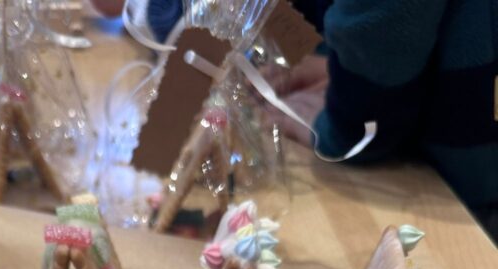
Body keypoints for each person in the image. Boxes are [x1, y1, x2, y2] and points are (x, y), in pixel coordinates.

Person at [90, 0, 498, 239]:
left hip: (452, 182)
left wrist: (345, 120)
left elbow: (386, 20)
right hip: (397, 106)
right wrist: (338, 68)